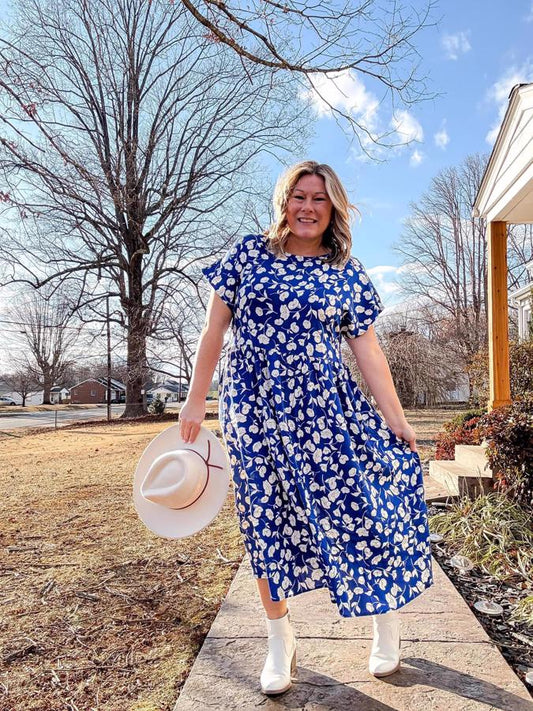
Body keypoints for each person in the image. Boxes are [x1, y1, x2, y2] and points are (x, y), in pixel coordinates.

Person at [178, 160, 434, 696]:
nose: (308, 208)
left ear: (333, 207)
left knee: (360, 508)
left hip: (327, 411)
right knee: (264, 520)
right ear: (284, 201)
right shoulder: (248, 255)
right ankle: (280, 639)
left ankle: (385, 621)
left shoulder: (345, 270)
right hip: (254, 411)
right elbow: (213, 331)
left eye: (319, 199)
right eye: (299, 196)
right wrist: (195, 401)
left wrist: (397, 418)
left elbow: (368, 352)